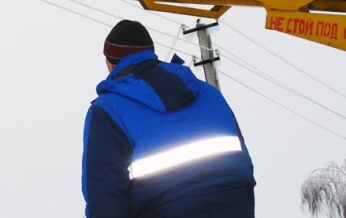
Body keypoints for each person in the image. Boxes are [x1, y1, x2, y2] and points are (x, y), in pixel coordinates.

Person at [82, 19, 256, 217]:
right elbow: (244, 165)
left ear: (111, 64)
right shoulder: (208, 92)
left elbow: (105, 195)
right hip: (235, 205)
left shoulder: (108, 109)